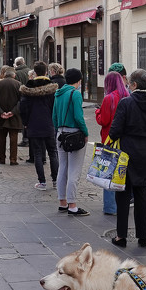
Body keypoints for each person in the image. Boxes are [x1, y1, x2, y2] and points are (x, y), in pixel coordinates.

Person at [107, 69, 146, 247]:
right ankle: (143, 235)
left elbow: (115, 130)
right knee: (141, 194)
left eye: (129, 83)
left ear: (135, 85)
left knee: (122, 196)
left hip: (126, 154)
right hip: (145, 153)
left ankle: (121, 236)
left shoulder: (126, 103)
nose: (128, 86)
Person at [53, 67, 90, 216]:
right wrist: (86, 133)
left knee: (62, 168)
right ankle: (72, 205)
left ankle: (62, 202)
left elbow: (54, 117)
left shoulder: (58, 93)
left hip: (61, 134)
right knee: (74, 170)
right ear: (79, 80)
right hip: (74, 135)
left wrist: (58, 130)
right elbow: (79, 117)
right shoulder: (75, 94)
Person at [95, 71, 131, 215]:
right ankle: (123, 204)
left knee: (108, 174)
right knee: (123, 172)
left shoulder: (109, 98)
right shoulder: (128, 96)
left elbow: (103, 120)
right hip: (125, 140)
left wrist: (97, 112)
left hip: (110, 140)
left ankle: (110, 207)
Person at [20, 61, 60, 189]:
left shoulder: (28, 88)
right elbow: (56, 107)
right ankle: (55, 181)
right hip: (49, 124)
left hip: (33, 125)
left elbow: (23, 108)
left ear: (35, 72)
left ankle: (42, 182)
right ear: (46, 72)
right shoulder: (52, 88)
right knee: (53, 153)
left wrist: (25, 123)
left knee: (38, 154)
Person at [0, 66, 24, 165]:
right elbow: (21, 101)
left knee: (1, 138)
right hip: (14, 117)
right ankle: (13, 159)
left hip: (1, 117)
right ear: (14, 75)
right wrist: (13, 112)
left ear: (5, 75)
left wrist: (1, 112)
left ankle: (2, 158)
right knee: (13, 138)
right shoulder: (18, 84)